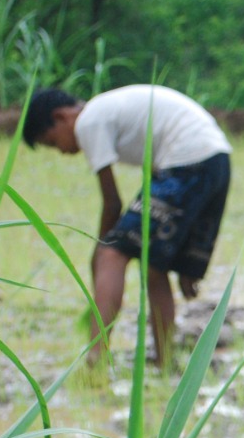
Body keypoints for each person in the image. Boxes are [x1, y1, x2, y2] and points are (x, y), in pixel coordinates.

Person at [23, 84, 232, 369]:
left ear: (60, 117)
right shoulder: (111, 110)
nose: (61, 151)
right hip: (217, 159)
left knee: (112, 255)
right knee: (154, 266)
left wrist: (101, 250)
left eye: (52, 142)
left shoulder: (88, 122)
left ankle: (95, 360)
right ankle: (165, 361)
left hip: (188, 160)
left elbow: (112, 202)